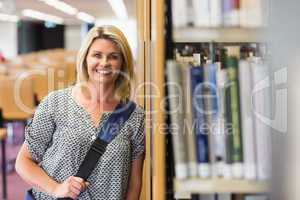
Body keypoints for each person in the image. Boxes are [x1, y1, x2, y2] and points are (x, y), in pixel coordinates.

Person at [15, 25, 145, 200]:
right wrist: (55, 189)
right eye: (97, 55)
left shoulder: (135, 117)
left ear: (123, 63)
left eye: (113, 57)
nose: (104, 63)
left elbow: (134, 184)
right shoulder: (56, 103)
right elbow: (23, 162)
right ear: (85, 59)